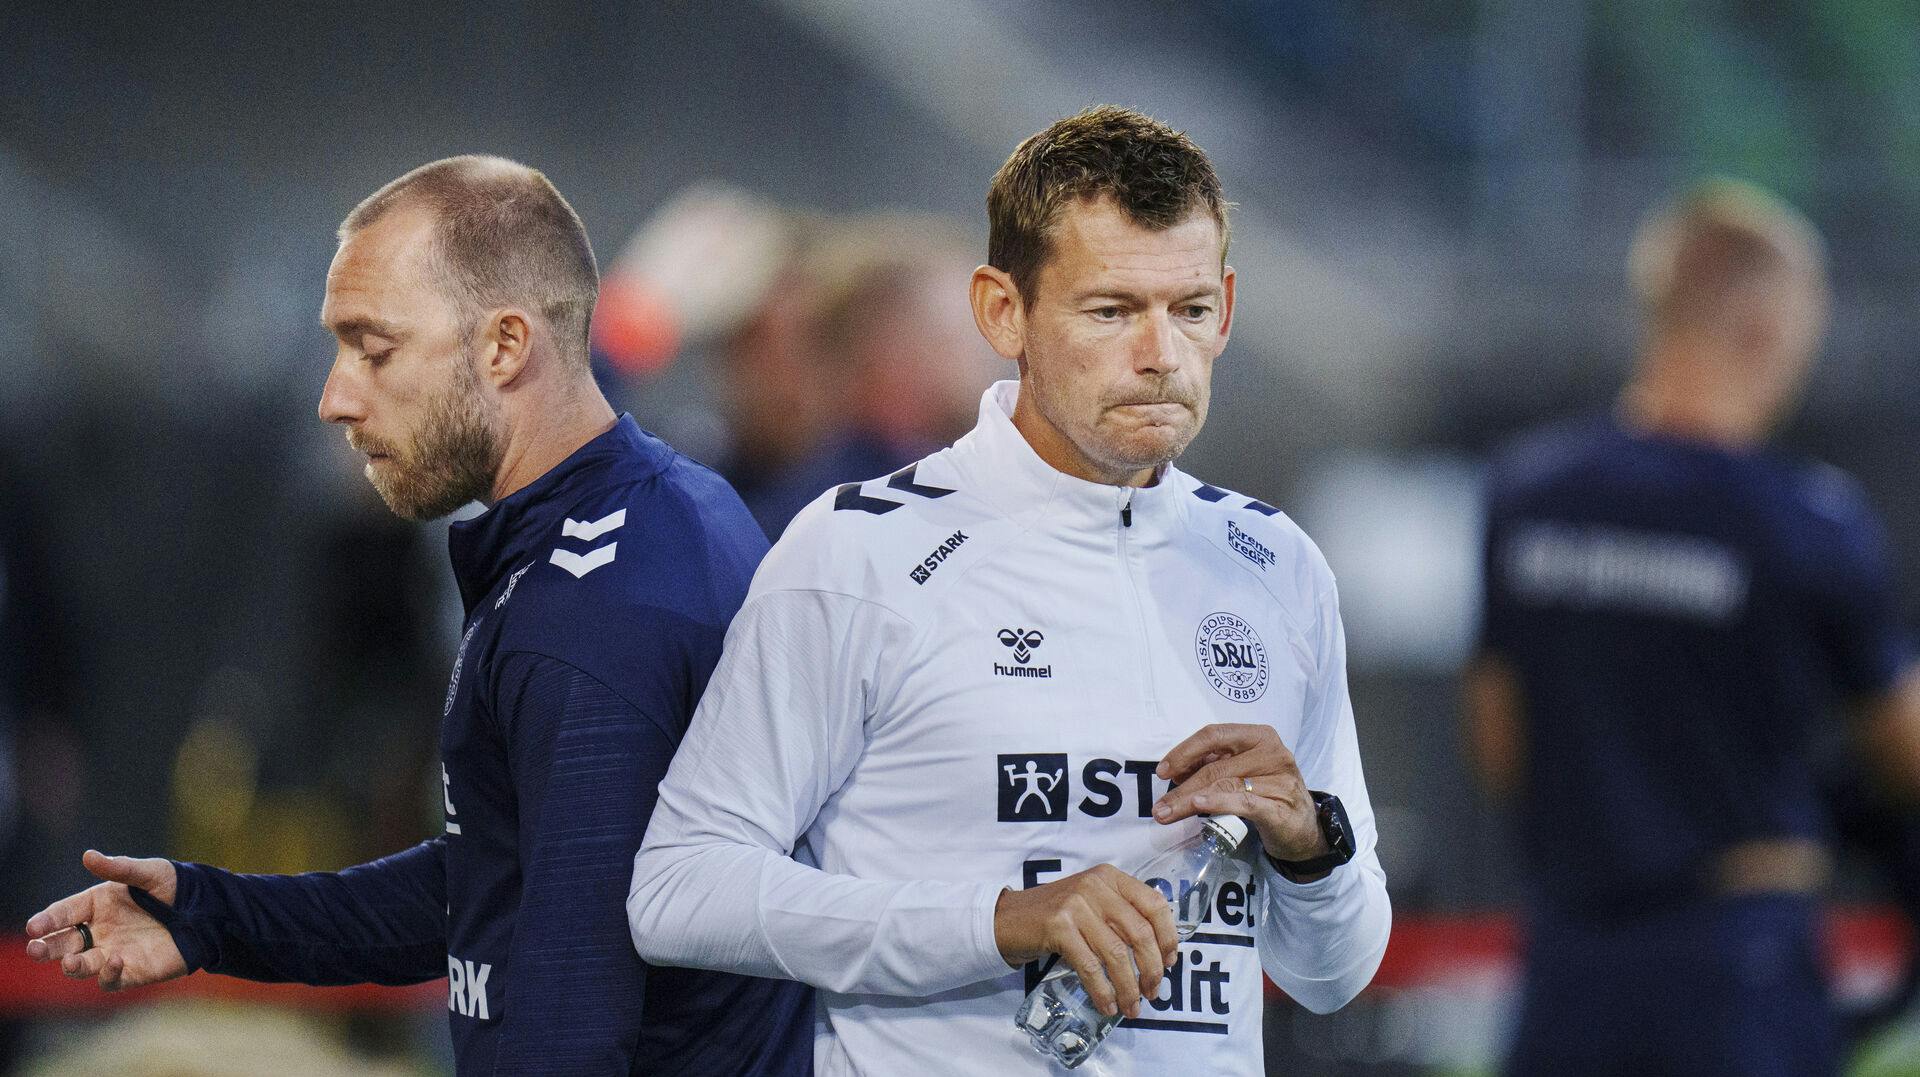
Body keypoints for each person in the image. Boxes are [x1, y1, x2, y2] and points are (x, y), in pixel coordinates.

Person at [628, 106, 1391, 1074]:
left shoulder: (1275, 565)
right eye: (1111, 311)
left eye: (1190, 310)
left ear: (1228, 311)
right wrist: (1003, 921)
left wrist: (1312, 852)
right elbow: (680, 891)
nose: (1161, 354)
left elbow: (1334, 974)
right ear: (1002, 311)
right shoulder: (859, 551)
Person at [24, 156, 812, 1075]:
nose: (336, 397)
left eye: (375, 348)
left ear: (507, 347)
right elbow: (497, 884)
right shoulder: (623, 524)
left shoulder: (597, 606)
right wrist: (209, 916)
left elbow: (575, 1015)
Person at [1463, 179, 1920, 1076]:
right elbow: (1905, 753)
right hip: (1738, 966)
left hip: (1569, 963)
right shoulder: (1806, 521)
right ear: (1766, 328)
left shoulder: (1529, 496)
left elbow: (1498, 741)